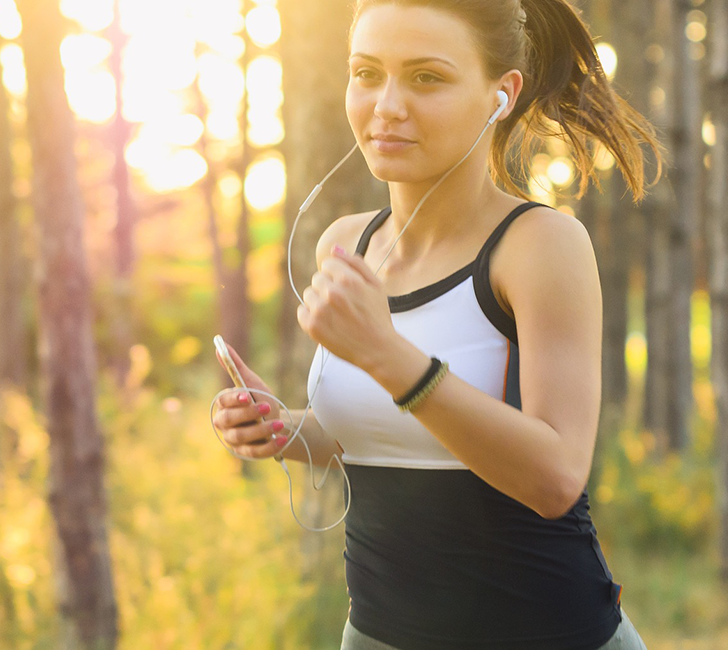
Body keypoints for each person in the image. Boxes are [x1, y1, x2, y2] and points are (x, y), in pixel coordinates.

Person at [212, 0, 663, 648]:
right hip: (377, 635)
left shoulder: (539, 245)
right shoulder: (346, 245)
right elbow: (376, 437)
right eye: (366, 73)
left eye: (426, 77)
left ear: (500, 94)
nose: (386, 105)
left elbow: (556, 477)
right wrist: (283, 428)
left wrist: (388, 356)